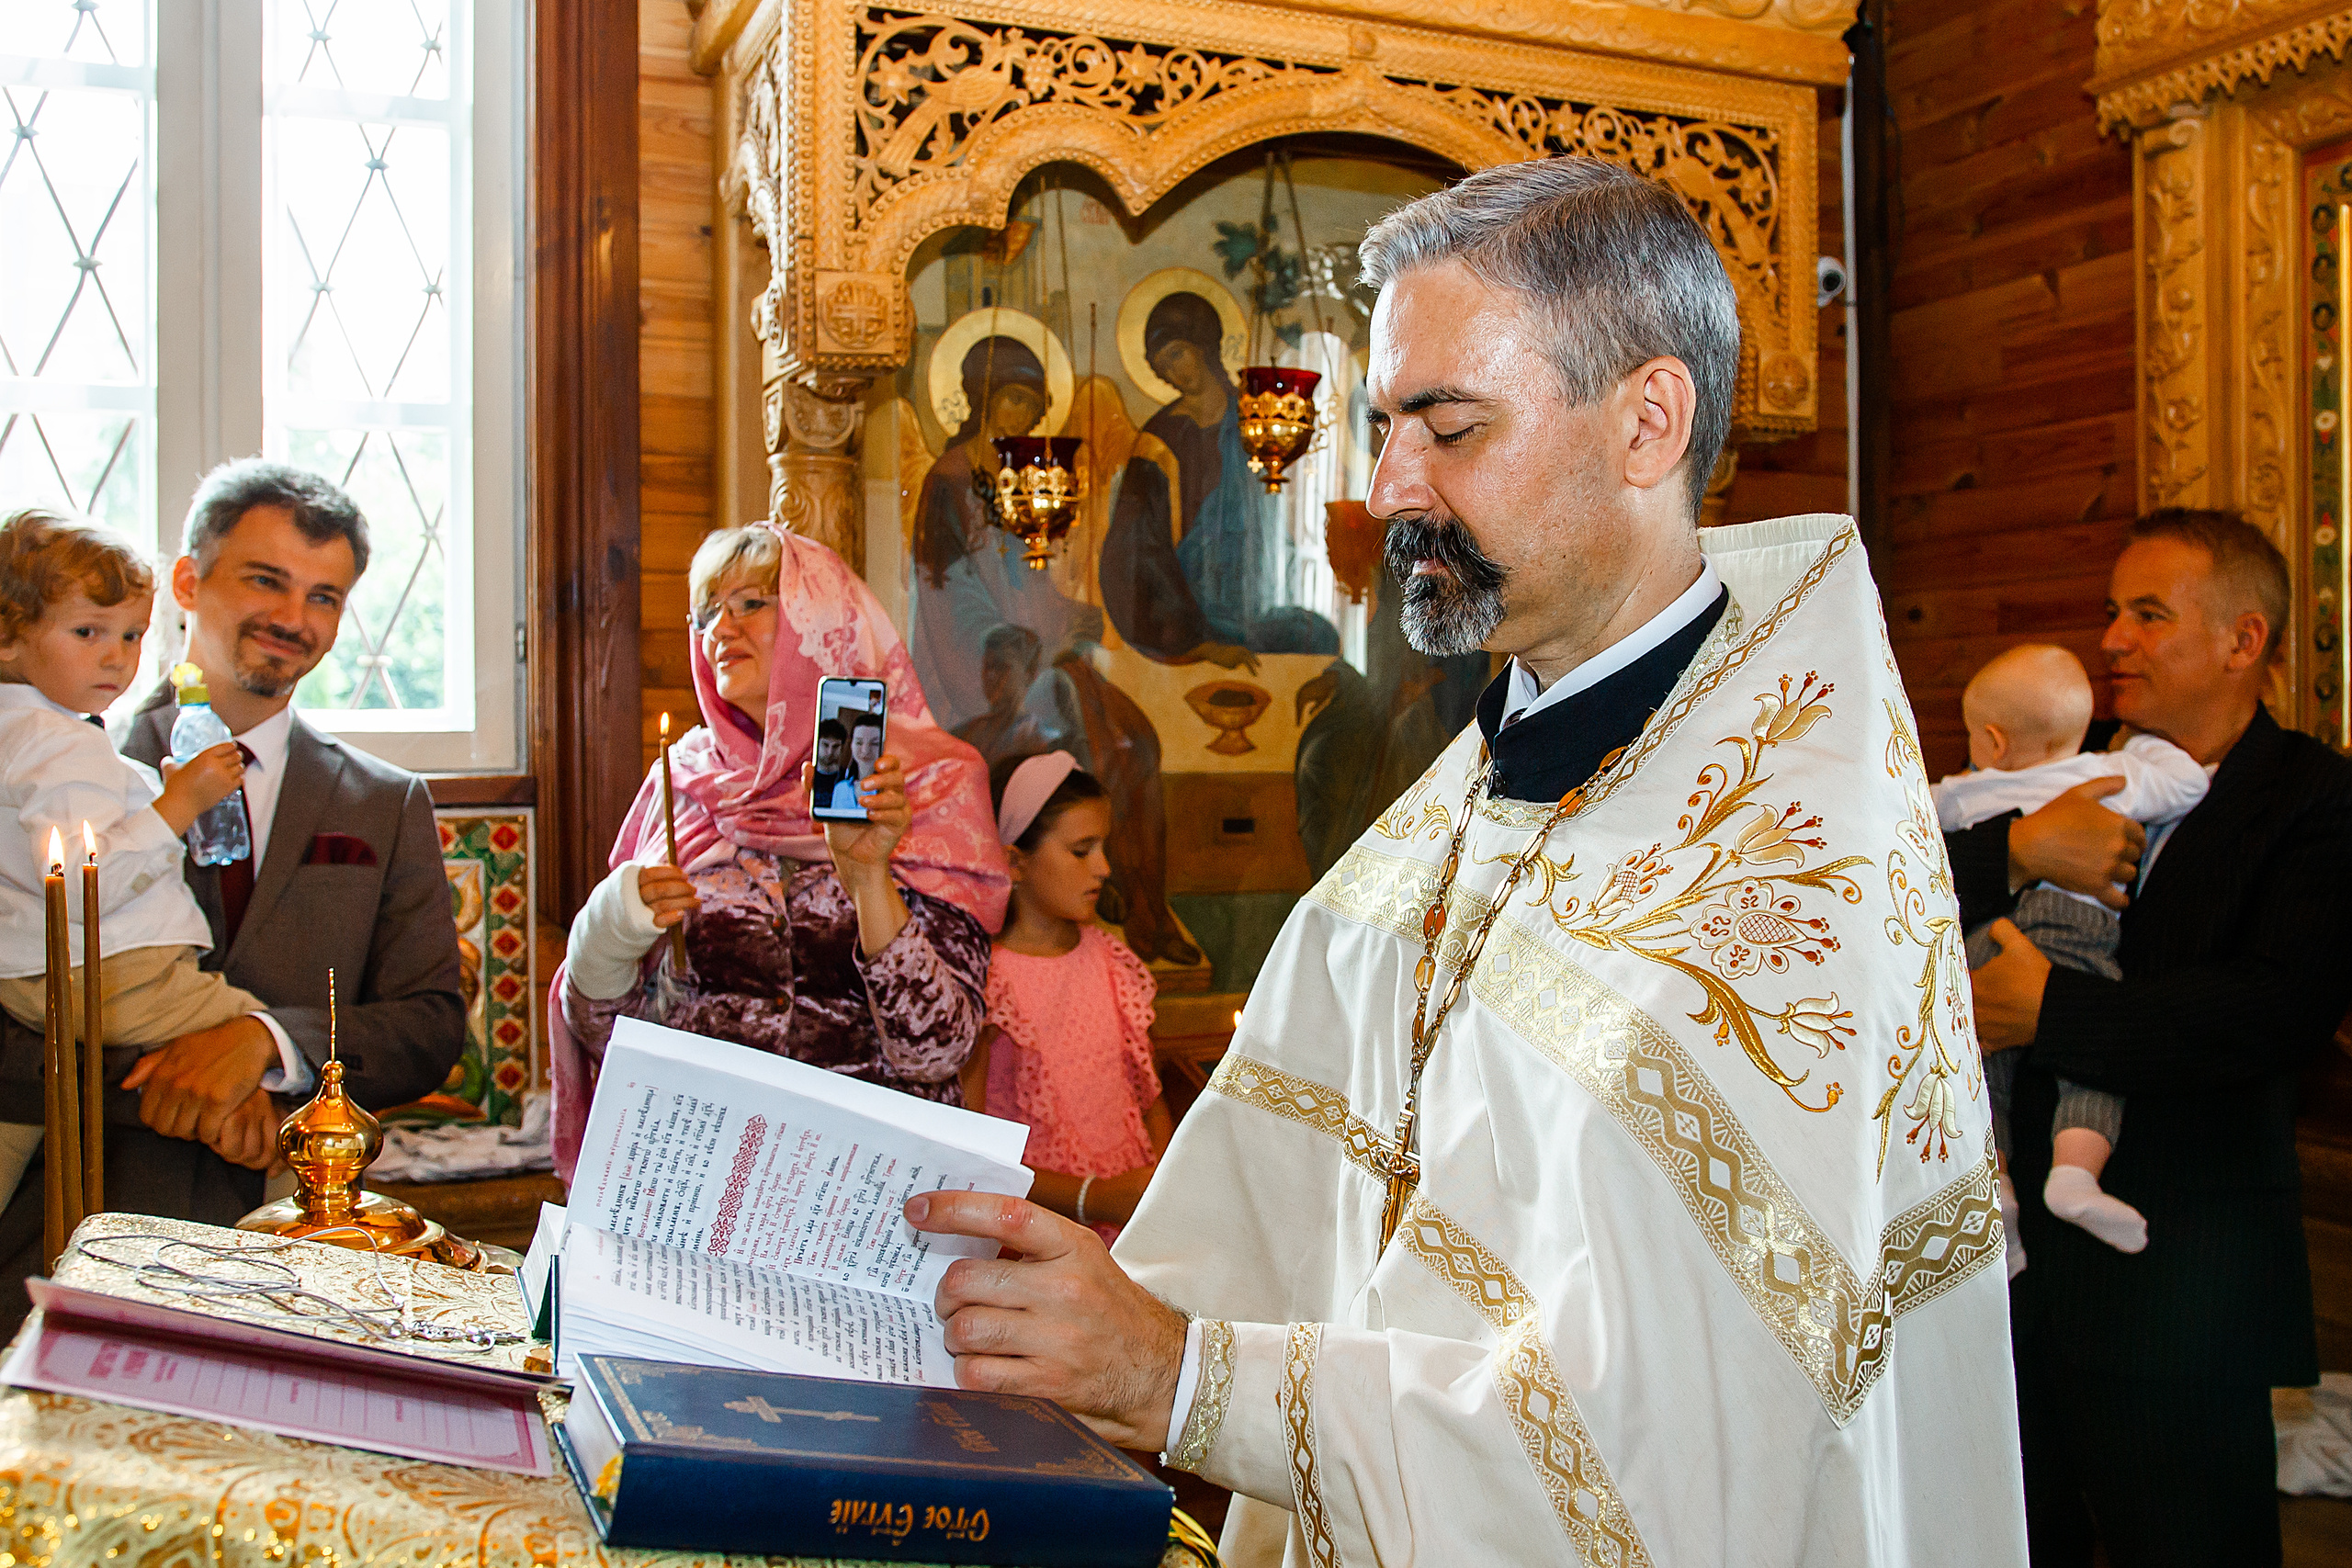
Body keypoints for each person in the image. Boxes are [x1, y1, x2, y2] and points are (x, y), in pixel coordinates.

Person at [899, 158, 2025, 1565]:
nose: (1386, 490)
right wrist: (1029, 1299)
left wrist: (1179, 1374)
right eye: (1383, 428)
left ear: (1647, 422)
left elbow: (1664, 1446)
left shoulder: (1791, 884)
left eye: (1451, 428)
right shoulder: (1456, 805)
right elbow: (1264, 1225)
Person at [1962, 509, 2352, 1567]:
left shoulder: (2315, 803)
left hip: (2186, 1285)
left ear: (2242, 640)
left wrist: (2052, 1015)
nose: (2113, 642)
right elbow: (1909, 876)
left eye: (2147, 614)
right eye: (2109, 614)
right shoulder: (2062, 772)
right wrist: (2022, 850)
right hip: (2014, 1281)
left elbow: (2272, 1012)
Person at [0, 460, 468, 1333]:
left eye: (325, 596)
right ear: (187, 580)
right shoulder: (41, 767)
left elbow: (430, 1026)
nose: (294, 618)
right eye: (266, 579)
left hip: (296, 1263)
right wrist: (161, 1081)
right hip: (69, 1239)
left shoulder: (385, 801)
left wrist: (258, 1042)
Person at [550, 522, 1007, 1177]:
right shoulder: (683, 783)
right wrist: (608, 933)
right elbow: (614, 1037)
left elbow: (937, 1050)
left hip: (862, 1185)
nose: (719, 630)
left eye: (751, 604)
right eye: (708, 611)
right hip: (702, 1177)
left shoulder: (934, 785)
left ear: (817, 620)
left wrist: (869, 879)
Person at [0, 511, 265, 1209]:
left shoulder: (25, 729)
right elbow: (88, 880)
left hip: (36, 977)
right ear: (9, 635)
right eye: (87, 632)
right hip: (111, 966)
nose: (117, 656)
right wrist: (179, 802)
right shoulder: (60, 742)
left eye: (132, 634)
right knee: (249, 1033)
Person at [1929, 643, 2208, 1266]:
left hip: (1991, 938)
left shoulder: (1972, 785)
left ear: (1994, 740)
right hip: (2074, 932)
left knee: (1976, 1066)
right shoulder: (2106, 775)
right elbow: (2189, 783)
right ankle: (2075, 1175)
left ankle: (1994, 1188)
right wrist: (2141, 745)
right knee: (2089, 1066)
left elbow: (1910, 820)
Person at [968, 750, 1171, 1241]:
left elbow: (1148, 1098)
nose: (1103, 868)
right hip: (1041, 1229)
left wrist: (1166, 1181)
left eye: (1103, 847)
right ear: (1016, 862)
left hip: (1133, 1223)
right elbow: (978, 1149)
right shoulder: (990, 982)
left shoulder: (1112, 961)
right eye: (1081, 851)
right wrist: (1093, 1197)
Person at [809, 718, 851, 806]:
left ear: (842, 748)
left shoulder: (848, 778)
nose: (830, 752)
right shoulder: (808, 775)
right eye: (825, 745)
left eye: (835, 746)